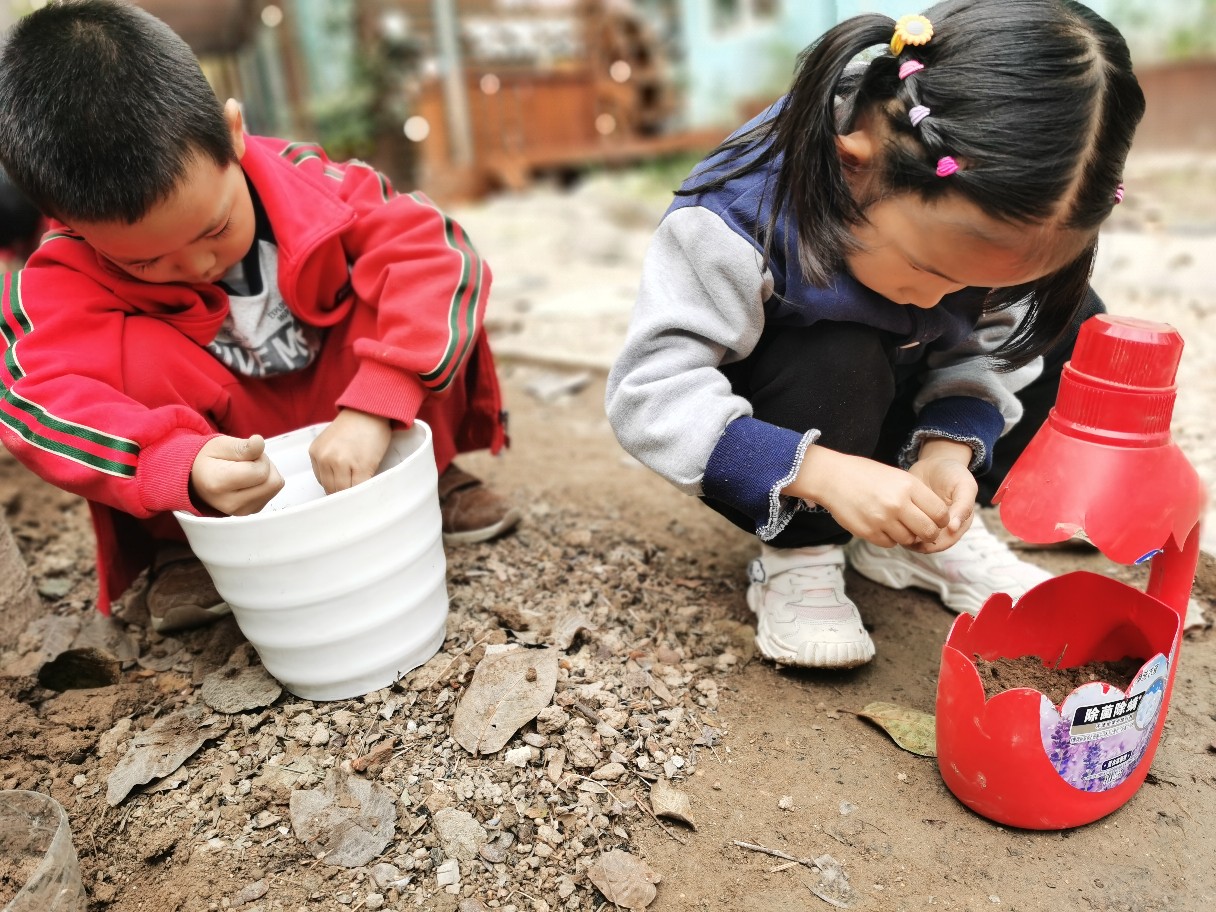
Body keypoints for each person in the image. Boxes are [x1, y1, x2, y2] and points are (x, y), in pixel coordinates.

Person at [606, 0, 1144, 669]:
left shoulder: (994, 220)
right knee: (840, 340)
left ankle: (919, 533)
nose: (945, 302)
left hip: (897, 404)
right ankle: (801, 554)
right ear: (851, 163)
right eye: (931, 271)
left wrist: (948, 454)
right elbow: (650, 395)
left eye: (975, 288)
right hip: (789, 425)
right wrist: (824, 474)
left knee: (1072, 321)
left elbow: (987, 348)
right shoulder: (735, 220)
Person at [0, 0, 519, 633]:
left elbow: (440, 255)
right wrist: (176, 465)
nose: (197, 265)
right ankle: (182, 546)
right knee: (126, 355)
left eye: (214, 228)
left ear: (234, 134)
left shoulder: (316, 183)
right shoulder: (63, 272)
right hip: (221, 465)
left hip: (361, 415)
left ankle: (423, 474)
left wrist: (380, 401)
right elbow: (32, 394)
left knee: (413, 290)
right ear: (69, 224)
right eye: (145, 263)